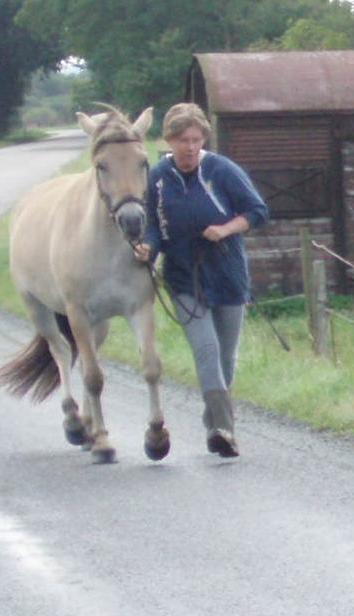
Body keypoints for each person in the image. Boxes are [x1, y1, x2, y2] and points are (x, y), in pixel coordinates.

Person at [134, 102, 269, 458]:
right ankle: (224, 429)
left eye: (195, 139)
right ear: (169, 140)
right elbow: (151, 224)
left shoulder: (222, 170)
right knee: (206, 351)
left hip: (227, 275)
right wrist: (148, 247)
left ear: (203, 139)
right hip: (183, 279)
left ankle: (215, 424)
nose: (189, 147)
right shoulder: (158, 178)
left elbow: (257, 211)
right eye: (182, 140)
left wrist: (225, 229)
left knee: (225, 358)